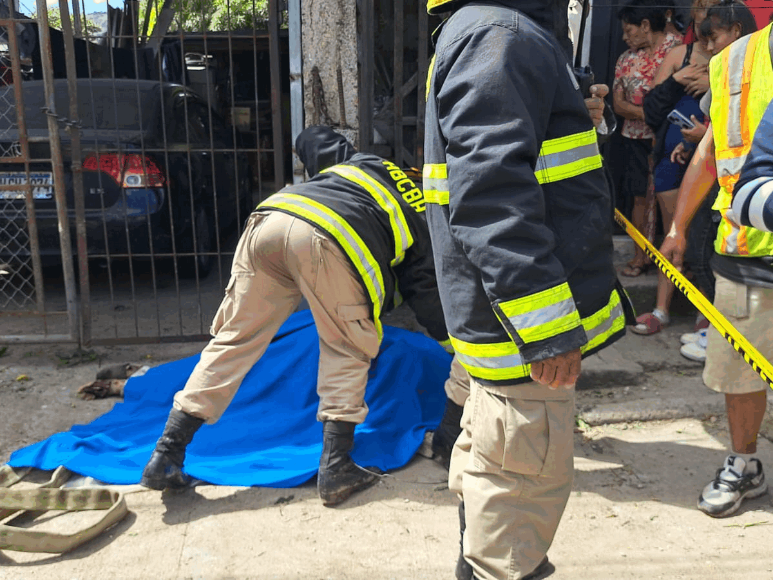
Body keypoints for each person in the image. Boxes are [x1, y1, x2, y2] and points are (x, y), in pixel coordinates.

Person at [423, 1, 632, 579]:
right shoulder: (502, 36)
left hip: (500, 322)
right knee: (517, 498)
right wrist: (547, 331)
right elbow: (492, 196)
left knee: (494, 480)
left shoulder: (495, 36)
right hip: (521, 335)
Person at [140, 125, 452, 507]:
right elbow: (426, 290)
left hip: (270, 219)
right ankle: (337, 468)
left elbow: (317, 140)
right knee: (347, 346)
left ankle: (166, 454)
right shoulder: (424, 214)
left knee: (234, 341)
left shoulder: (360, 164)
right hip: (328, 236)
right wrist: (453, 343)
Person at [660, 0, 767, 518]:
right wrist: (679, 225)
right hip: (747, 251)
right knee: (738, 373)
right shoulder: (734, 62)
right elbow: (712, 150)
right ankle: (744, 464)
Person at [632, 0, 716, 335]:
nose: (705, 15)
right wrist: (677, 80)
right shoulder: (678, 56)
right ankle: (661, 309)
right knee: (673, 234)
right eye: (700, 8)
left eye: (713, 8)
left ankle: (704, 314)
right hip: (672, 160)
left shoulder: (738, 60)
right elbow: (651, 110)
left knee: (704, 239)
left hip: (711, 163)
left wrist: (712, 88)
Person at [614, 0, 683, 278]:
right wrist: (651, 114)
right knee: (639, 197)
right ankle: (640, 256)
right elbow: (618, 105)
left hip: (670, 139)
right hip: (635, 138)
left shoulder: (677, 50)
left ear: (645, 25)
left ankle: (674, 260)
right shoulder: (626, 59)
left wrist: (644, 113)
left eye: (629, 30)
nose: (624, 37)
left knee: (671, 198)